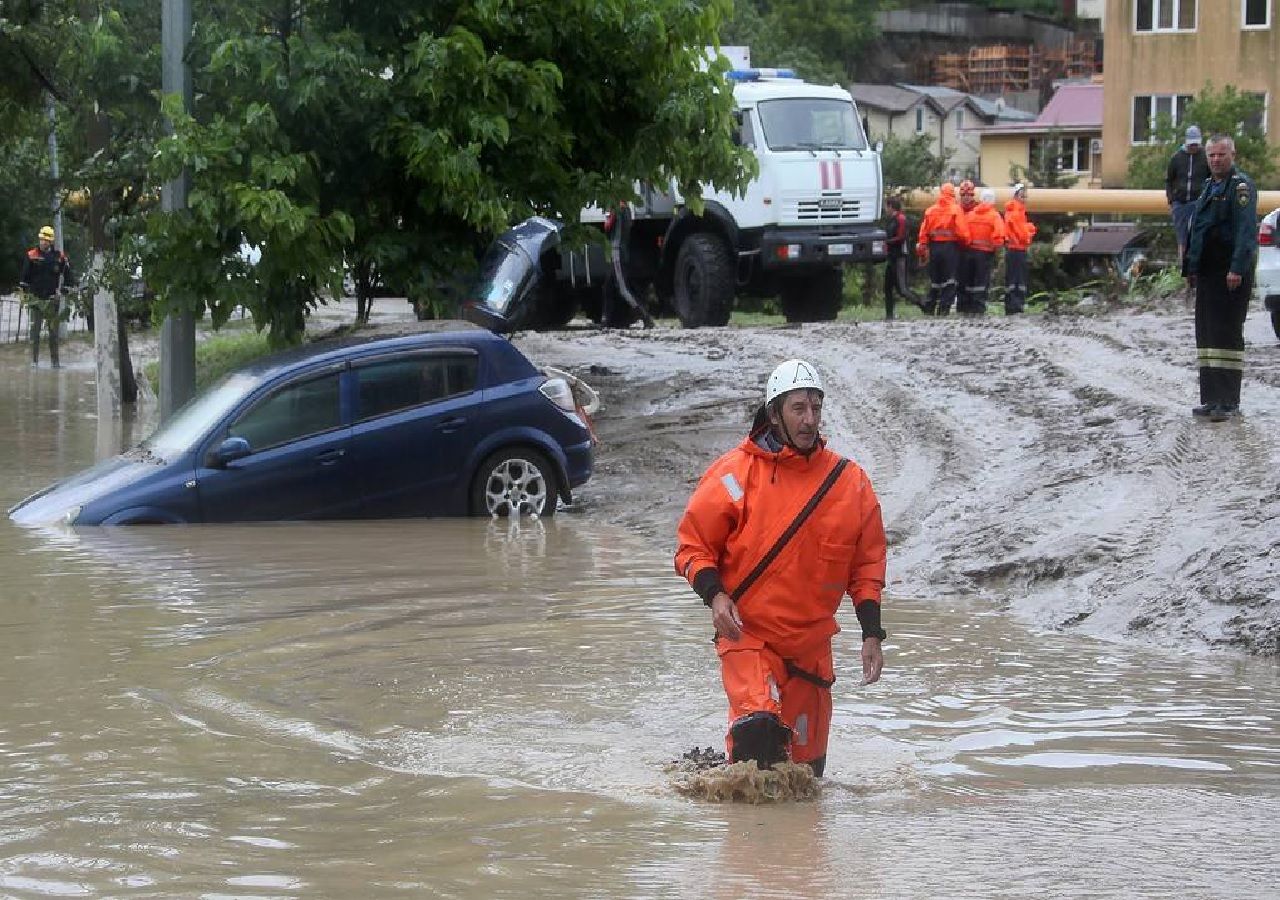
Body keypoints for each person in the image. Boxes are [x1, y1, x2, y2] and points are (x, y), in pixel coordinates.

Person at [674, 359, 887, 778]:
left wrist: (872, 633)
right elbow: (692, 547)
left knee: (806, 780)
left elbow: (867, 567)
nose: (809, 420)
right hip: (748, 637)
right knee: (760, 738)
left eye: (815, 408)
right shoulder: (733, 475)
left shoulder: (851, 483)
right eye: (798, 409)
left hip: (811, 651)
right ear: (774, 413)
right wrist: (715, 596)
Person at [1183, 135, 1258, 422]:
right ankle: (1211, 398)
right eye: (1212, 155)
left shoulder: (1240, 187)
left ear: (1232, 154)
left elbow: (1245, 232)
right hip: (1208, 271)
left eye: (1221, 155)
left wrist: (1237, 268)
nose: (1216, 159)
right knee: (1207, 335)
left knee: (1226, 334)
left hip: (1229, 273)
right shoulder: (1208, 186)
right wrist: (1190, 267)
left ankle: (1228, 401)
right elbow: (1199, 229)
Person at [18, 225, 74, 368]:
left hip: (51, 300)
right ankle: (34, 362)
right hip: (35, 299)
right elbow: (24, 278)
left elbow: (68, 276)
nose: (43, 242)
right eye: (42, 239)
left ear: (51, 242)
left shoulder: (59, 257)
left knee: (53, 333)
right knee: (35, 332)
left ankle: (55, 363)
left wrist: (62, 291)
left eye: (46, 240)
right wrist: (24, 295)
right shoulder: (32, 255)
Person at [915, 182, 970, 316]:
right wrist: (965, 245)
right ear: (952, 194)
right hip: (950, 248)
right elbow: (962, 232)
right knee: (949, 280)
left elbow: (923, 232)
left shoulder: (931, 210)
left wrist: (923, 248)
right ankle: (944, 309)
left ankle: (930, 307)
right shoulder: (955, 210)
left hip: (934, 248)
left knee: (935, 280)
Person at [959, 188, 1005, 316]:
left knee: (969, 280)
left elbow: (963, 232)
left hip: (969, 252)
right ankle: (978, 307)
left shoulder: (971, 215)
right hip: (984, 254)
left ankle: (966, 306)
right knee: (981, 281)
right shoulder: (994, 216)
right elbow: (999, 235)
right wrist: (997, 249)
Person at [1166, 125, 1210, 259]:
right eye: (1191, 144)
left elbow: (1211, 178)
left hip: (1199, 202)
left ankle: (1199, 267)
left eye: (1196, 144)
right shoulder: (1177, 158)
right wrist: (1171, 199)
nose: (1193, 147)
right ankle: (1184, 268)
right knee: (1183, 239)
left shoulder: (1205, 157)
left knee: (1200, 236)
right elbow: (1169, 180)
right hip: (1180, 203)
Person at [882, 196, 921, 319]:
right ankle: (889, 314)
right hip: (891, 257)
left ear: (891, 206)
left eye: (886, 206)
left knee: (902, 289)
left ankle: (924, 304)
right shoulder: (891, 220)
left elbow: (901, 237)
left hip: (900, 257)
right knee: (887, 287)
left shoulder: (901, 219)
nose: (885, 209)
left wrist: (886, 242)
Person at [1003, 183, 1037, 314]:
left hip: (1015, 249)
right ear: (1016, 196)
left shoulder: (1015, 211)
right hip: (1016, 250)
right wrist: (1030, 230)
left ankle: (1014, 304)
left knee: (1014, 279)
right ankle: (1016, 305)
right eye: (1022, 196)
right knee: (1017, 279)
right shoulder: (1015, 212)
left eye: (1025, 196)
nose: (1024, 199)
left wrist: (1027, 229)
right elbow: (1022, 234)